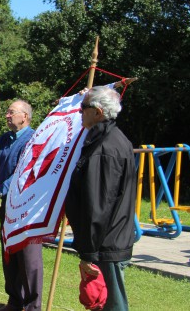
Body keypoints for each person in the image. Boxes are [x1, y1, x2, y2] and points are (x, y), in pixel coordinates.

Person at [65, 86, 136, 311]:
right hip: (106, 242)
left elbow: (98, 205)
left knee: (111, 305)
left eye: (83, 107)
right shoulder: (107, 139)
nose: (79, 112)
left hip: (106, 244)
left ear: (98, 112)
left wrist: (88, 253)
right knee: (101, 304)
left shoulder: (106, 147)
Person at [0, 100, 40, 311]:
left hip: (27, 209)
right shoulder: (5, 139)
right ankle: (14, 301)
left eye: (11, 112)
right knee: (9, 256)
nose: (7, 115)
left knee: (29, 260)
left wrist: (0, 190)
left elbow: (23, 172)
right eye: (7, 112)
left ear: (25, 116)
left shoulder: (34, 139)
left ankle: (32, 306)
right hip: (7, 208)